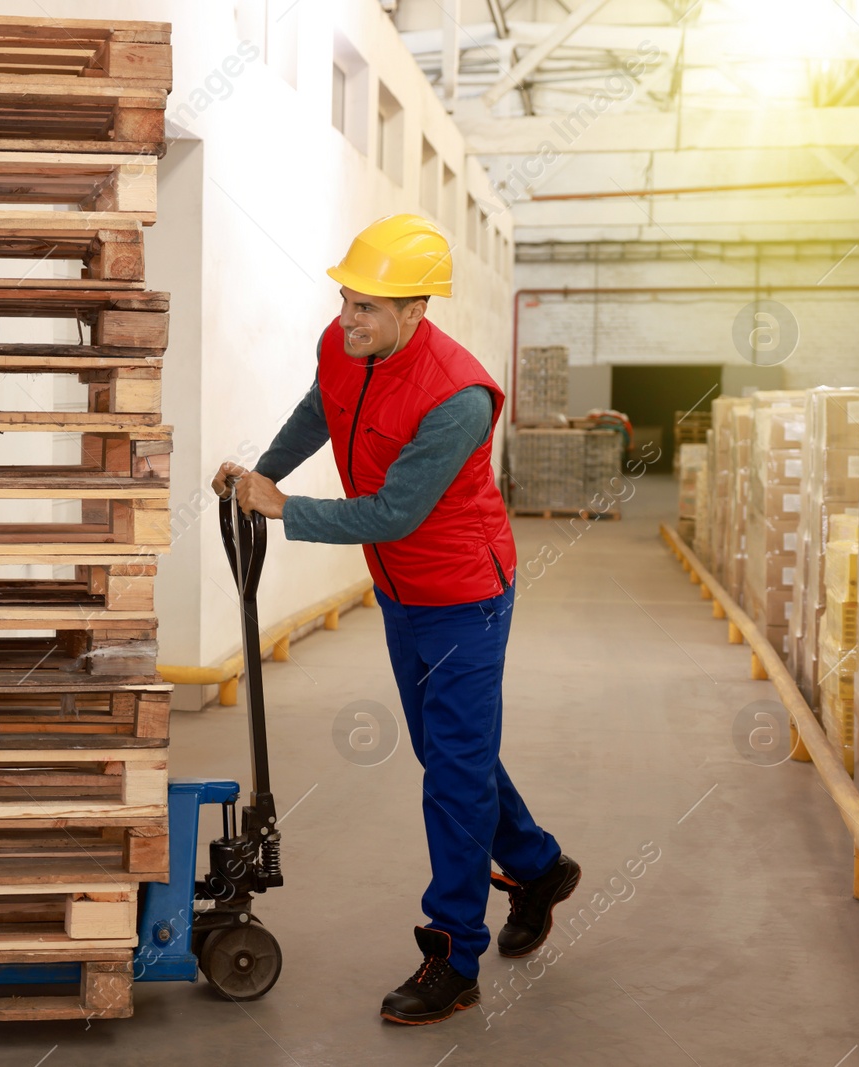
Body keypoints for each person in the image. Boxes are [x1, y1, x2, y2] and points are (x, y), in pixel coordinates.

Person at [211, 214, 578, 1026]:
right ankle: (537, 865)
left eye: (367, 308)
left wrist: (285, 506)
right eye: (345, 299)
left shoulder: (459, 397)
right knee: (450, 750)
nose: (348, 319)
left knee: (450, 770)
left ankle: (454, 952)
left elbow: (395, 511)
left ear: (416, 310)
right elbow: (322, 407)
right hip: (400, 590)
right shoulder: (346, 343)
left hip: (463, 595)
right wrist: (262, 472)